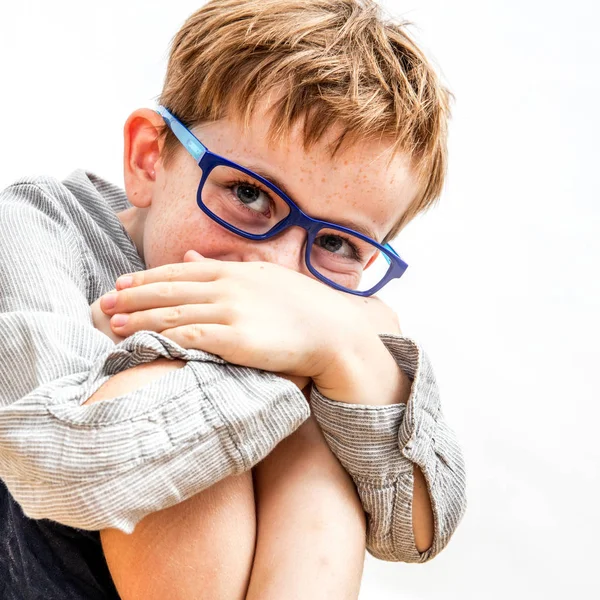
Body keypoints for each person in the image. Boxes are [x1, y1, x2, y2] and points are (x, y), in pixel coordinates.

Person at [0, 0, 466, 598]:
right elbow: (57, 463)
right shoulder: (39, 226)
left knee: (312, 438)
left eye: (335, 243)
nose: (274, 273)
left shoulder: (332, 318)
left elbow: (419, 530)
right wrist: (303, 358)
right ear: (150, 157)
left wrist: (341, 345)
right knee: (169, 369)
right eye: (248, 193)